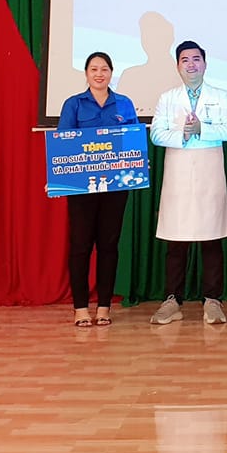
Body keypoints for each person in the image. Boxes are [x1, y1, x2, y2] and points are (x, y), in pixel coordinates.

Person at [149, 41, 227, 325]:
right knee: (176, 242)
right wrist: (184, 135)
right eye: (185, 60)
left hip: (209, 174)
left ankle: (212, 301)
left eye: (196, 59)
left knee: (211, 240)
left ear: (205, 64)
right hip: (178, 175)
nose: (191, 64)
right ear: (178, 66)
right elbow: (156, 134)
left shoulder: (220, 96)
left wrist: (203, 129)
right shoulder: (167, 98)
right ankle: (172, 301)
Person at [58, 51, 139, 329]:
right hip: (82, 189)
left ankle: (104, 306)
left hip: (116, 188)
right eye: (94, 69)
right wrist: (58, 174)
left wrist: (138, 160)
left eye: (104, 69)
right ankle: (80, 308)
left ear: (111, 73)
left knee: (108, 246)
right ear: (86, 74)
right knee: (80, 246)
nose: (99, 74)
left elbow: (133, 141)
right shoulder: (74, 104)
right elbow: (63, 144)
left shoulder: (124, 104)